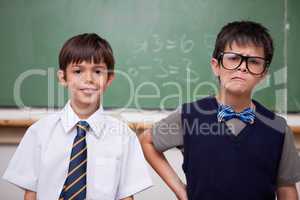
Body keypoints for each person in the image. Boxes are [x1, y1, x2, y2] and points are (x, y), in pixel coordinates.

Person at [139, 21, 300, 200]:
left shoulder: (278, 128)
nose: (242, 67)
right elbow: (147, 141)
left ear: (263, 73)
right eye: (233, 58)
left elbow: (287, 189)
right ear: (216, 65)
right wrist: (180, 191)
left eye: (253, 61)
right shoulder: (190, 115)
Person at [3, 33, 152, 200]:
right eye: (78, 71)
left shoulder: (124, 137)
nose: (88, 79)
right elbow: (31, 194)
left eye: (97, 71)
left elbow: (126, 197)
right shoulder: (39, 132)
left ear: (109, 79)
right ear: (62, 78)